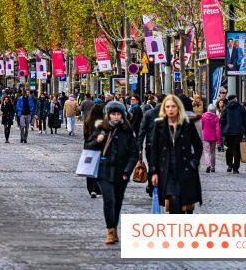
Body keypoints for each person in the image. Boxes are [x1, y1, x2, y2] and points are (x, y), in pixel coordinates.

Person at [85, 101, 138, 244]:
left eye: (118, 114)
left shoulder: (127, 131)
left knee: (117, 201)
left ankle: (114, 227)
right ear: (108, 115)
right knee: (109, 200)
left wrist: (127, 171)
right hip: (103, 170)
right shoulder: (101, 129)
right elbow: (88, 147)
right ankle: (110, 231)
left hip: (121, 172)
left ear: (123, 115)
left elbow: (134, 153)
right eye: (113, 114)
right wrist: (97, 140)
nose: (116, 117)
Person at [149, 94, 203, 214]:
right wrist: (154, 172)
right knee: (173, 199)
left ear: (178, 108)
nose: (170, 109)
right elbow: (154, 150)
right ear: (164, 108)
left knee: (181, 201)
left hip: (184, 169)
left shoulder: (187, 124)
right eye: (167, 107)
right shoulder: (159, 125)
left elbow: (198, 145)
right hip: (167, 170)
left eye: (173, 106)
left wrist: (194, 162)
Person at [219, 91, 246, 174]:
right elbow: (245, 122)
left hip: (228, 132)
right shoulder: (241, 108)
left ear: (228, 101)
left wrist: (222, 131)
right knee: (237, 150)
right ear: (235, 100)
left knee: (229, 148)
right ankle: (235, 168)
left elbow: (222, 121)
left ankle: (229, 165)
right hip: (238, 132)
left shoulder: (226, 108)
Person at [83, 104, 105, 198]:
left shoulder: (87, 122)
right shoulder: (102, 123)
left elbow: (86, 136)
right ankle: (98, 188)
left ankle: (92, 188)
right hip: (99, 148)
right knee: (99, 169)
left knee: (90, 168)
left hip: (89, 148)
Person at [200, 104, 221, 173]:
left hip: (205, 136)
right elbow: (218, 130)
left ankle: (208, 165)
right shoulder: (216, 118)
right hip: (213, 137)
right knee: (212, 152)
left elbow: (201, 126)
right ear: (214, 110)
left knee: (206, 151)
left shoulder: (203, 117)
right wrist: (218, 141)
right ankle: (213, 167)